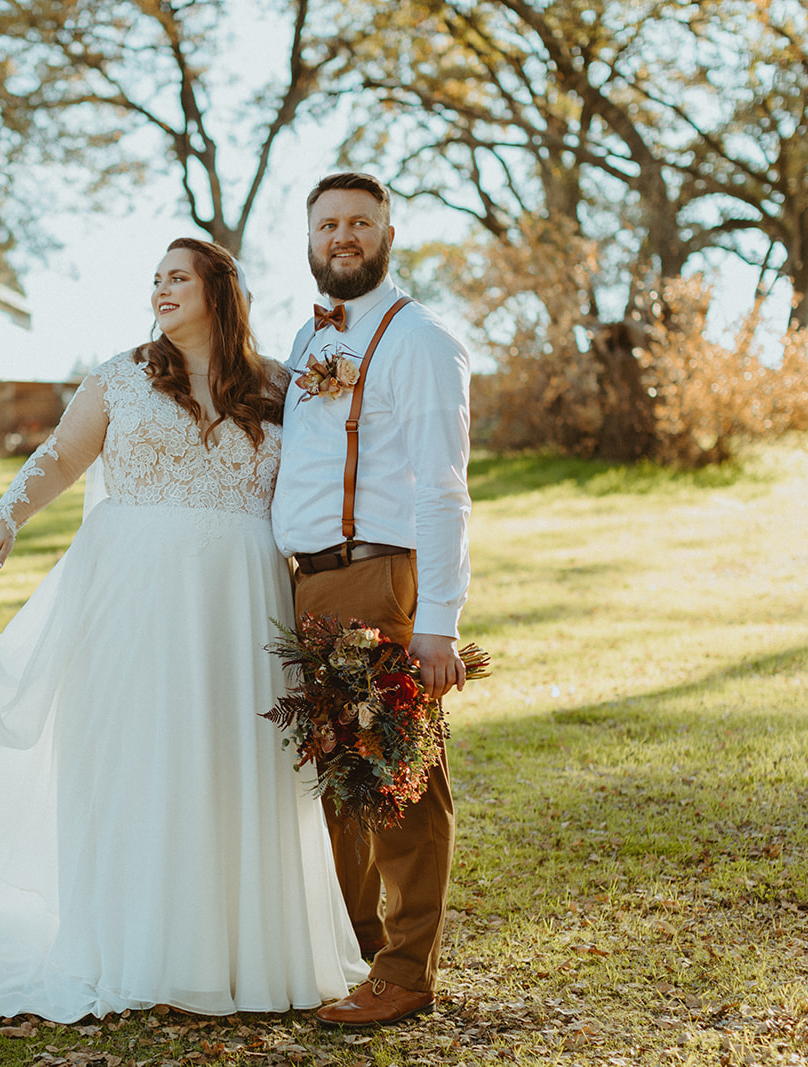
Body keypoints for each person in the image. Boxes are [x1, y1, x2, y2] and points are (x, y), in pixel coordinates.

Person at [0, 237, 365, 1022]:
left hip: (240, 595)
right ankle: (136, 944)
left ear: (218, 290)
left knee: (234, 756)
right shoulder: (122, 377)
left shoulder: (275, 385)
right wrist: (7, 517)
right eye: (154, 278)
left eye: (177, 278)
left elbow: (323, 470)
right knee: (142, 756)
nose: (161, 290)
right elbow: (63, 456)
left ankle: (238, 947)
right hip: (134, 593)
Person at [271, 173, 473, 1028]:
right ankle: (354, 948)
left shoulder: (421, 341)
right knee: (336, 779)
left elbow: (445, 489)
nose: (341, 236)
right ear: (310, 238)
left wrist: (438, 625)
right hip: (307, 580)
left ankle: (405, 969)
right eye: (327, 224)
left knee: (397, 780)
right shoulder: (305, 336)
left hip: (379, 573)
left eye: (359, 222)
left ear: (389, 234)